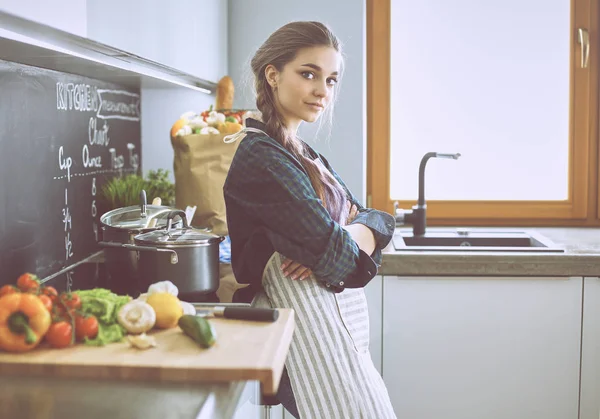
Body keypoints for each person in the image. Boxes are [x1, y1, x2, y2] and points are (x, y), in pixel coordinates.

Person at [223, 21, 397, 419]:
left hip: (343, 337)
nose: (323, 91)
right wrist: (348, 238)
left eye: (331, 80)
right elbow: (341, 258)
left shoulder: (303, 154)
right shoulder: (263, 158)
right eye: (308, 74)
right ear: (273, 75)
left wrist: (356, 231)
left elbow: (377, 222)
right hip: (311, 340)